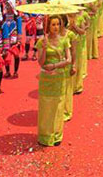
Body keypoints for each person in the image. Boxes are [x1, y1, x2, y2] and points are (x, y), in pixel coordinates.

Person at [37, 15, 70, 146]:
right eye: (53, 25)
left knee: (58, 106)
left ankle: (57, 135)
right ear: (48, 27)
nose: (56, 27)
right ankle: (45, 136)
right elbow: (40, 62)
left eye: (58, 24)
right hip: (46, 78)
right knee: (46, 106)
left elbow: (68, 60)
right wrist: (44, 49)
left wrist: (55, 66)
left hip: (59, 77)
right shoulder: (41, 42)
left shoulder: (64, 41)